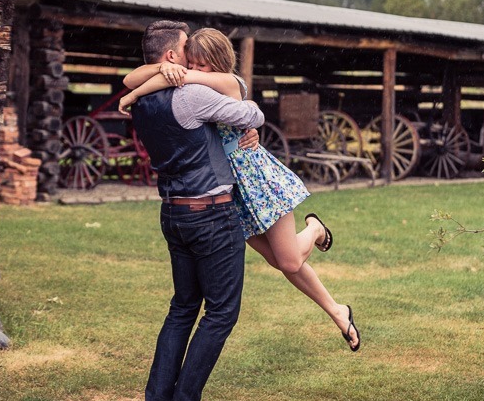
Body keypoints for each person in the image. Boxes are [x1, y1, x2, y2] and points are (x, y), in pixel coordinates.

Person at [120, 27, 361, 357]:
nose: (194, 70)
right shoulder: (192, 81)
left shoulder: (230, 84)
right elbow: (132, 77)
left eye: (201, 64)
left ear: (217, 63)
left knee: (289, 260)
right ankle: (337, 311)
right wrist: (161, 68)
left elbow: (142, 82)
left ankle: (315, 228)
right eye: (191, 63)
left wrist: (137, 94)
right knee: (279, 261)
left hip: (255, 180)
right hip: (225, 191)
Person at [131, 20, 264, 401]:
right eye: (186, 47)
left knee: (183, 308)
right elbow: (251, 111)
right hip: (211, 214)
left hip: (173, 212)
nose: (191, 54)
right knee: (221, 312)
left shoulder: (141, 104)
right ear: (171, 56)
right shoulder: (191, 95)